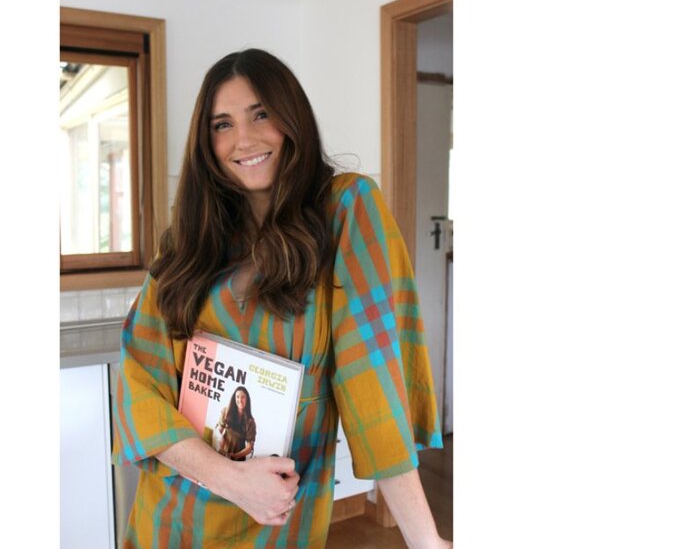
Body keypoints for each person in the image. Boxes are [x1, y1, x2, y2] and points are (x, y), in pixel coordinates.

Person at [112, 48, 452, 548]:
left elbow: (371, 377)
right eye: (221, 125)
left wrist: (425, 541)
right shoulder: (187, 240)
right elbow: (139, 382)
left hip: (273, 521)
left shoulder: (345, 209)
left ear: (292, 118)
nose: (242, 140)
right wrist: (227, 478)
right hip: (170, 516)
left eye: (261, 115)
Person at [215, 386, 257, 461]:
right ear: (234, 399)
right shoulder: (226, 412)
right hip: (222, 455)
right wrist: (220, 447)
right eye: (237, 397)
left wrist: (235, 456)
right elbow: (218, 432)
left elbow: (249, 448)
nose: (240, 400)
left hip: (238, 460)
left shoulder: (250, 422)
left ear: (247, 400)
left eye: (243, 397)